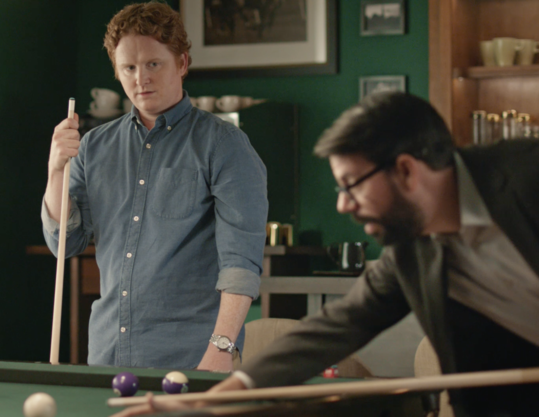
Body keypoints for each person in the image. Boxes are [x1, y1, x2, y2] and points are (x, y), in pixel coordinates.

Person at [113, 92, 539, 417]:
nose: (342, 204)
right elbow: (331, 330)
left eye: (351, 184)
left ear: (407, 170)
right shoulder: (411, 252)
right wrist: (209, 403)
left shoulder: (526, 176)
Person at [42, 2, 268, 371]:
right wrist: (55, 172)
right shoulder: (93, 146)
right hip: (108, 355)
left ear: (182, 63)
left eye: (153, 64)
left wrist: (222, 347)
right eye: (129, 68)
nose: (140, 79)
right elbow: (64, 243)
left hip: (193, 358)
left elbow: (240, 264)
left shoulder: (225, 144)